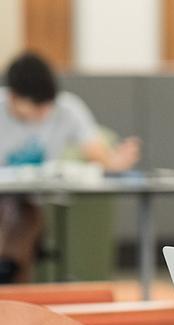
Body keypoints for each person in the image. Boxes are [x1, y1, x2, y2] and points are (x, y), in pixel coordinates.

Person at [0, 52, 140, 283]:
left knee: (22, 214)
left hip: (34, 203)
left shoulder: (67, 109)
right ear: (14, 97)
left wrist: (116, 162)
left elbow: (98, 156)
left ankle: (9, 272)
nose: (44, 113)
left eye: (47, 106)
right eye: (35, 106)